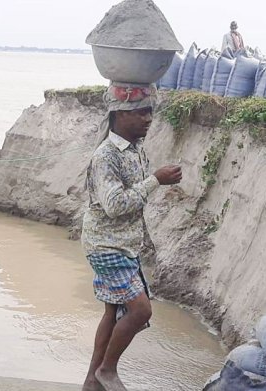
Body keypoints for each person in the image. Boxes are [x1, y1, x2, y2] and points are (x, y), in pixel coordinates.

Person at [81, 84, 182, 391]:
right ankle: (107, 370)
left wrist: (155, 182)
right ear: (119, 115)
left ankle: (91, 381)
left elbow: (130, 201)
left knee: (113, 313)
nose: (148, 119)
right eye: (140, 112)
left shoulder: (135, 150)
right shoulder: (107, 156)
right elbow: (114, 205)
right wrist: (156, 181)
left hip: (122, 243)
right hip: (106, 244)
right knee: (140, 310)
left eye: (149, 111)